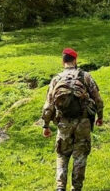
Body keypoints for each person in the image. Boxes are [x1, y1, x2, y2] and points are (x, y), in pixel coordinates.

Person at [41, 48, 104, 191]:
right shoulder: (85, 76)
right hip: (83, 123)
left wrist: (45, 125)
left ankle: (60, 187)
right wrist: (99, 117)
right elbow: (98, 100)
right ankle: (76, 188)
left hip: (63, 123)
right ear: (75, 60)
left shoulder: (56, 79)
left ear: (63, 61)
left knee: (62, 155)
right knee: (80, 156)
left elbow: (48, 105)